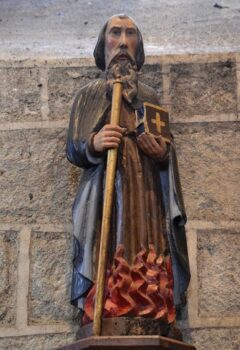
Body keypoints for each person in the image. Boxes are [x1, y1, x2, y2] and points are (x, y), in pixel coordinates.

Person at [67, 14, 190, 333]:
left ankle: (150, 305)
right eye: (115, 33)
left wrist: (162, 154)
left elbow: (167, 148)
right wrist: (93, 143)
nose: (122, 41)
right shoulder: (89, 95)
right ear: (103, 45)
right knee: (107, 245)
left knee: (149, 246)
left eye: (130, 34)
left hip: (148, 196)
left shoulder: (149, 97)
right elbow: (74, 147)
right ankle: (107, 304)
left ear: (138, 46)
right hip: (107, 196)